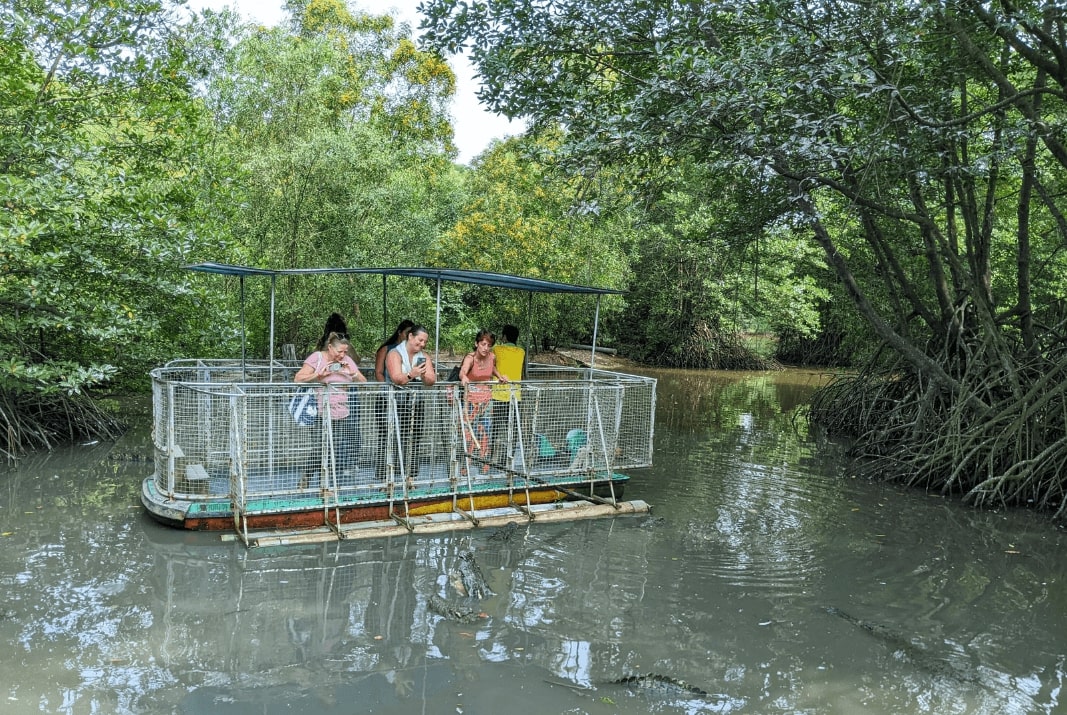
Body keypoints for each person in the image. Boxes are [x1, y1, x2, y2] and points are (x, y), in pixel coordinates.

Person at [295, 331, 367, 482]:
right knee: (320, 449)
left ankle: (325, 484)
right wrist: (318, 376)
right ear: (330, 347)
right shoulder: (317, 358)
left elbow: (363, 381)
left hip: (341, 413)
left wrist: (352, 373)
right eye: (339, 351)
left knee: (334, 449)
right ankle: (309, 475)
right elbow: (298, 379)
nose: (342, 355)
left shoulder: (347, 360)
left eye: (345, 351)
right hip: (320, 412)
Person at [384, 325, 436, 481]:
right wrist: (411, 375)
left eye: (425, 342)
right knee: (392, 439)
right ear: (411, 337)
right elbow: (396, 378)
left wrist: (424, 374)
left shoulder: (424, 356)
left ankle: (411, 477)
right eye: (420, 340)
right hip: (395, 403)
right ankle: (388, 478)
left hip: (415, 403)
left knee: (414, 439)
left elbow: (431, 380)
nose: (422, 344)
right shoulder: (394, 353)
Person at [459, 330, 507, 475]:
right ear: (477, 344)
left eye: (489, 345)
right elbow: (463, 371)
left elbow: (492, 369)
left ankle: (484, 464)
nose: (486, 348)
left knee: (485, 431)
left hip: (486, 400)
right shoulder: (470, 357)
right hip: (471, 401)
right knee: (468, 432)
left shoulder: (491, 356)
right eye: (483, 344)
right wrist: (464, 378)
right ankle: (465, 465)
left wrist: (500, 376)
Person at [373, 320, 415, 481]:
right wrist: (387, 387)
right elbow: (378, 372)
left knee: (406, 435)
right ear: (400, 332)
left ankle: (404, 470)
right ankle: (383, 471)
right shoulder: (387, 349)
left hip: (406, 398)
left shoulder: (412, 351)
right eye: (407, 333)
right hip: (388, 396)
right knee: (385, 435)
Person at [491, 324, 526, 466]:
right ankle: (509, 457)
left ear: (504, 336)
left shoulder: (497, 349)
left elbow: (490, 365)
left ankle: (491, 457)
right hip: (515, 395)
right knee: (513, 429)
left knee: (495, 428)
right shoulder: (521, 351)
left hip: (498, 395)